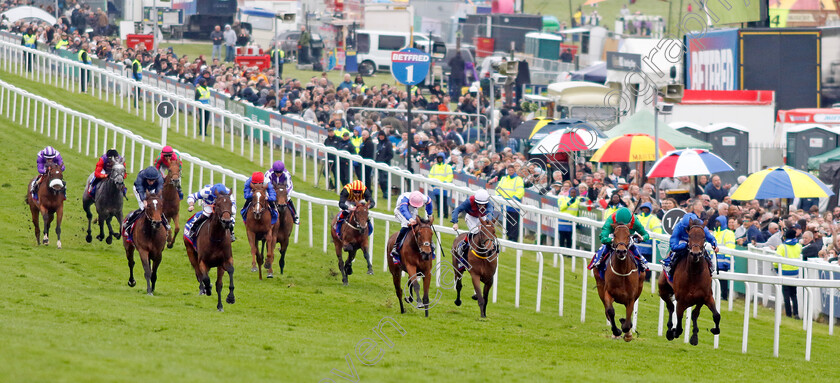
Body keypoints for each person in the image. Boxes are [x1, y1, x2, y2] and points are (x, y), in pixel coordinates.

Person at [587, 207, 650, 273]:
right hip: (614, 237)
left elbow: (646, 234)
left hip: (627, 239)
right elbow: (602, 237)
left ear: (629, 222)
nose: (623, 226)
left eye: (625, 225)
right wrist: (611, 240)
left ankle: (642, 264)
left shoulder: (635, 221)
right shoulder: (611, 220)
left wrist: (642, 238)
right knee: (605, 248)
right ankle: (600, 262)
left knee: (635, 250)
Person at [662, 213, 718, 281]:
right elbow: (673, 246)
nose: (687, 231)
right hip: (682, 243)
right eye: (686, 228)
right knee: (674, 255)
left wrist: (714, 245)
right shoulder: (678, 226)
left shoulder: (701, 227)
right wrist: (685, 245)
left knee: (706, 255)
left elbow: (711, 238)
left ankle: (710, 270)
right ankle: (670, 270)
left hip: (696, 243)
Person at [451, 189, 495, 261]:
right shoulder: (469, 201)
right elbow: (456, 210)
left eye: (483, 204)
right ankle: (463, 246)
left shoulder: (490, 203)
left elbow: (490, 214)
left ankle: (493, 248)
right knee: (475, 231)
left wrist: (487, 223)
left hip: (482, 217)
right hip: (471, 217)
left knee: (488, 232)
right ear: (475, 201)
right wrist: (455, 222)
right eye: (479, 204)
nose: (481, 206)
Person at [390, 191, 433, 264]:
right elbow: (404, 210)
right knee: (406, 224)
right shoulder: (404, 199)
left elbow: (429, 203)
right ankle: (396, 247)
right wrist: (410, 219)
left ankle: (429, 244)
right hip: (400, 210)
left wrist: (430, 214)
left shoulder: (424, 198)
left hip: (411, 208)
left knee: (420, 225)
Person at [124, 166, 168, 234]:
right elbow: (140, 189)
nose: (151, 182)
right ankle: (128, 224)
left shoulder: (159, 178)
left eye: (153, 180)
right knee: (143, 207)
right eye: (149, 180)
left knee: (156, 207)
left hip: (152, 190)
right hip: (139, 189)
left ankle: (166, 224)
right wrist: (144, 200)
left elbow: (159, 190)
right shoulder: (141, 176)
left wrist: (158, 201)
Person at [775, 228, 801, 319]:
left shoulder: (782, 247)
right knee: (794, 294)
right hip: (795, 273)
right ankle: (796, 313)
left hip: (785, 273)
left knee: (786, 295)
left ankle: (789, 314)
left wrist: (776, 269)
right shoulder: (798, 246)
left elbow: (775, 261)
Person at [496, 164, 524, 241]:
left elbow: (520, 191)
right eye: (509, 170)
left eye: (512, 170)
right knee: (507, 221)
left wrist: (514, 199)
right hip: (504, 202)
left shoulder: (519, 179)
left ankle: (514, 238)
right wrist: (499, 196)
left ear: (514, 170)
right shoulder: (504, 178)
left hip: (514, 204)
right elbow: (498, 188)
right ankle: (508, 236)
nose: (510, 171)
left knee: (514, 221)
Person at [713, 216, 736, 299]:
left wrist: (727, 260)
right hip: (714, 260)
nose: (717, 223)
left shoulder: (728, 233)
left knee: (723, 279)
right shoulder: (715, 233)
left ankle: (724, 296)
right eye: (716, 222)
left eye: (718, 222)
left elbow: (730, 247)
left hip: (723, 261)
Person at [429, 152, 454, 219]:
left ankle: (445, 215)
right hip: (436, 187)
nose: (439, 159)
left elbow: (450, 176)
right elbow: (430, 175)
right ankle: (439, 215)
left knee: (444, 201)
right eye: (438, 158)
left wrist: (446, 182)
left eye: (441, 158)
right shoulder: (434, 167)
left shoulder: (447, 166)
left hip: (444, 187)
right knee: (438, 201)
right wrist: (432, 182)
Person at [374, 130, 394, 197]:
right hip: (379, 164)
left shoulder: (388, 143)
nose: (381, 137)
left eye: (382, 136)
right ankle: (384, 193)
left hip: (385, 165)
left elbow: (391, 155)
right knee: (380, 180)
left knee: (384, 180)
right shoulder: (379, 144)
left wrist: (384, 160)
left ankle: (386, 193)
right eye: (380, 136)